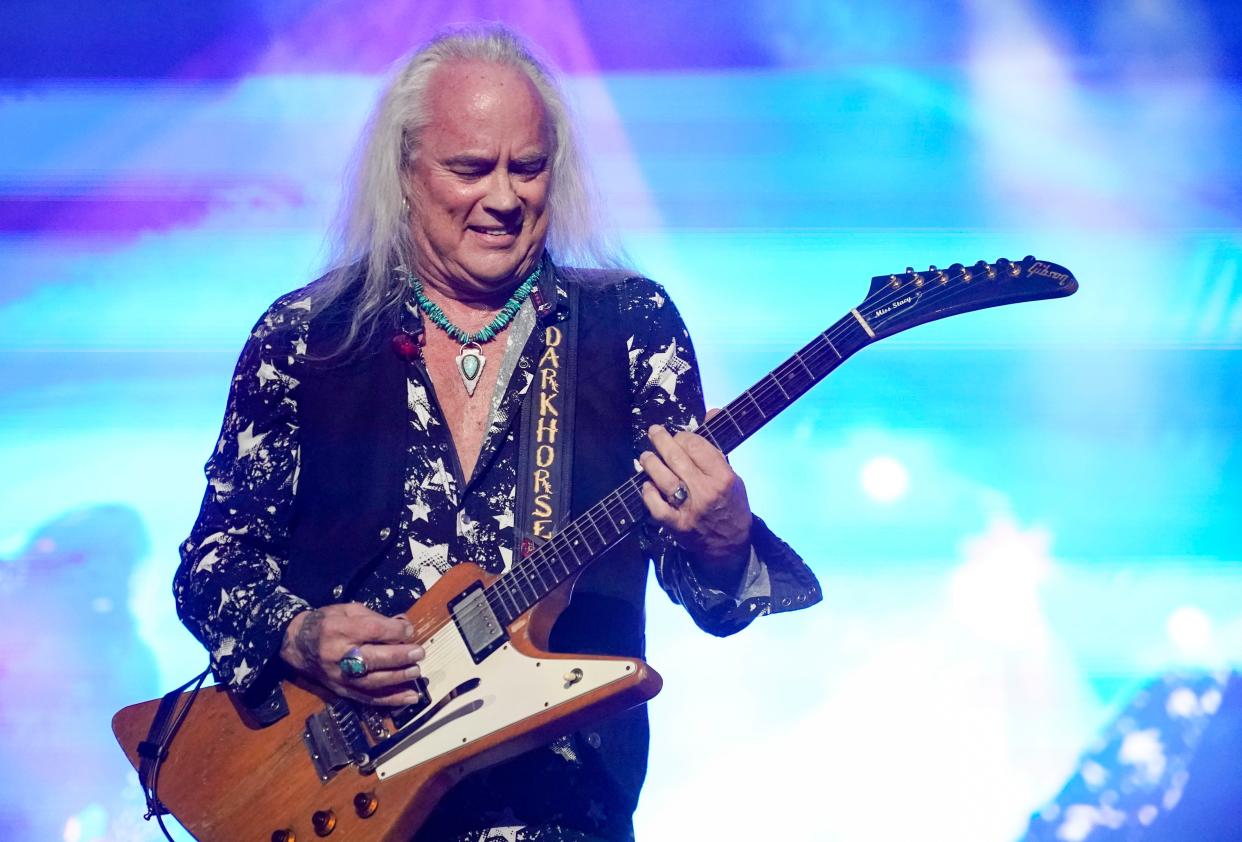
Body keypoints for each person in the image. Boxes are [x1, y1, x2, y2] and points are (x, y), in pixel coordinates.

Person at [174, 24, 820, 842]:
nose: (505, 197)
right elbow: (212, 564)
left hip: (560, 811)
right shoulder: (307, 338)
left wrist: (723, 541)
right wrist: (300, 635)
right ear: (405, 173)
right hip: (341, 803)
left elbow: (710, 600)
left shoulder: (629, 327)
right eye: (470, 168)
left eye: (529, 166)